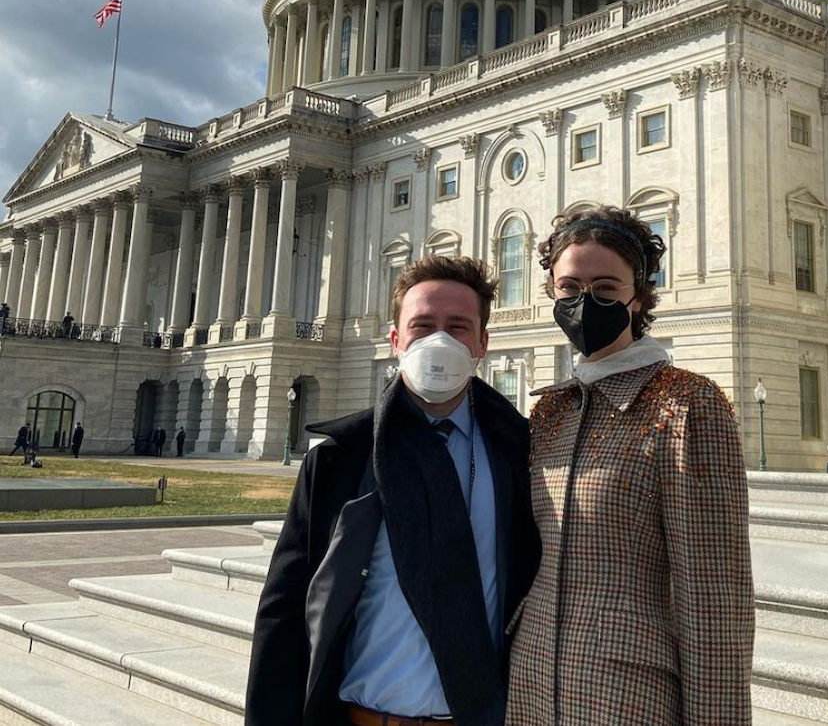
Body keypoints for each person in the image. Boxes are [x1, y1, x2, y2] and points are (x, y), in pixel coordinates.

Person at [246, 255, 539, 726]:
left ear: (482, 343)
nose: (440, 340)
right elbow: (284, 608)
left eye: (458, 327)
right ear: (395, 340)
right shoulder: (341, 460)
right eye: (422, 326)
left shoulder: (521, 455)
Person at [506, 206, 755, 726]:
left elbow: (714, 595)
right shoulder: (549, 412)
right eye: (569, 288)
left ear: (637, 296)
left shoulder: (687, 405)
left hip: (626, 692)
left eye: (605, 288)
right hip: (529, 687)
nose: (584, 302)